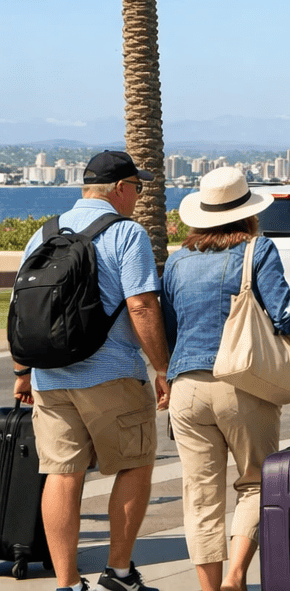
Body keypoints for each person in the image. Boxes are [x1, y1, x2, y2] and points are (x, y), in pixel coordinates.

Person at [161, 167, 290, 591]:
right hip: (240, 384)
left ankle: (209, 589)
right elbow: (285, 314)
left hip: (186, 388)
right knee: (256, 481)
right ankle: (236, 577)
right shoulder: (256, 250)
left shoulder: (176, 260)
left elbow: (170, 326)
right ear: (247, 213)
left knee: (201, 497)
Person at [12, 151, 170, 591]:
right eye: (137, 187)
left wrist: (23, 371)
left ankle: (67, 583)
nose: (138, 196)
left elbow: (20, 309)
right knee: (136, 462)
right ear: (120, 188)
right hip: (111, 373)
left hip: (49, 377)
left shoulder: (43, 234)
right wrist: (162, 368)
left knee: (62, 474)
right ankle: (119, 573)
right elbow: (140, 304)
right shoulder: (126, 233)